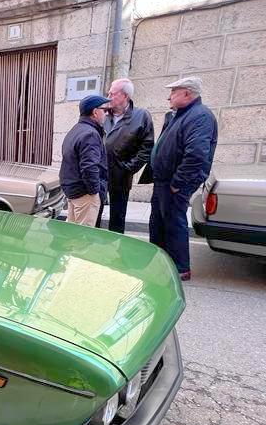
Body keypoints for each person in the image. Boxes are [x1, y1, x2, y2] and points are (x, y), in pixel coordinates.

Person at [146, 77, 218, 281]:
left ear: (187, 94)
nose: (169, 96)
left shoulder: (200, 116)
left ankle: (180, 268)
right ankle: (160, 261)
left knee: (173, 223)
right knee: (158, 222)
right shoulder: (179, 115)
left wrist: (178, 183)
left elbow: (196, 155)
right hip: (163, 180)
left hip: (174, 183)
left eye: (174, 92)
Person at [104, 78, 155, 234]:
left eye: (112, 93)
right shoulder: (103, 113)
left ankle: (116, 252)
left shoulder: (141, 116)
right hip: (98, 174)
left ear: (125, 96)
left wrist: (128, 168)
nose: (108, 96)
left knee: (117, 218)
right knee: (94, 213)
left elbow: (147, 147)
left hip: (121, 177)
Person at [60, 95, 110, 227]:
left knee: (71, 236)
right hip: (85, 194)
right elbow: (89, 167)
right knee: (83, 238)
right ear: (95, 112)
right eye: (104, 110)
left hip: (74, 191)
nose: (106, 114)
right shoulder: (90, 134)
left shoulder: (76, 130)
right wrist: (94, 191)